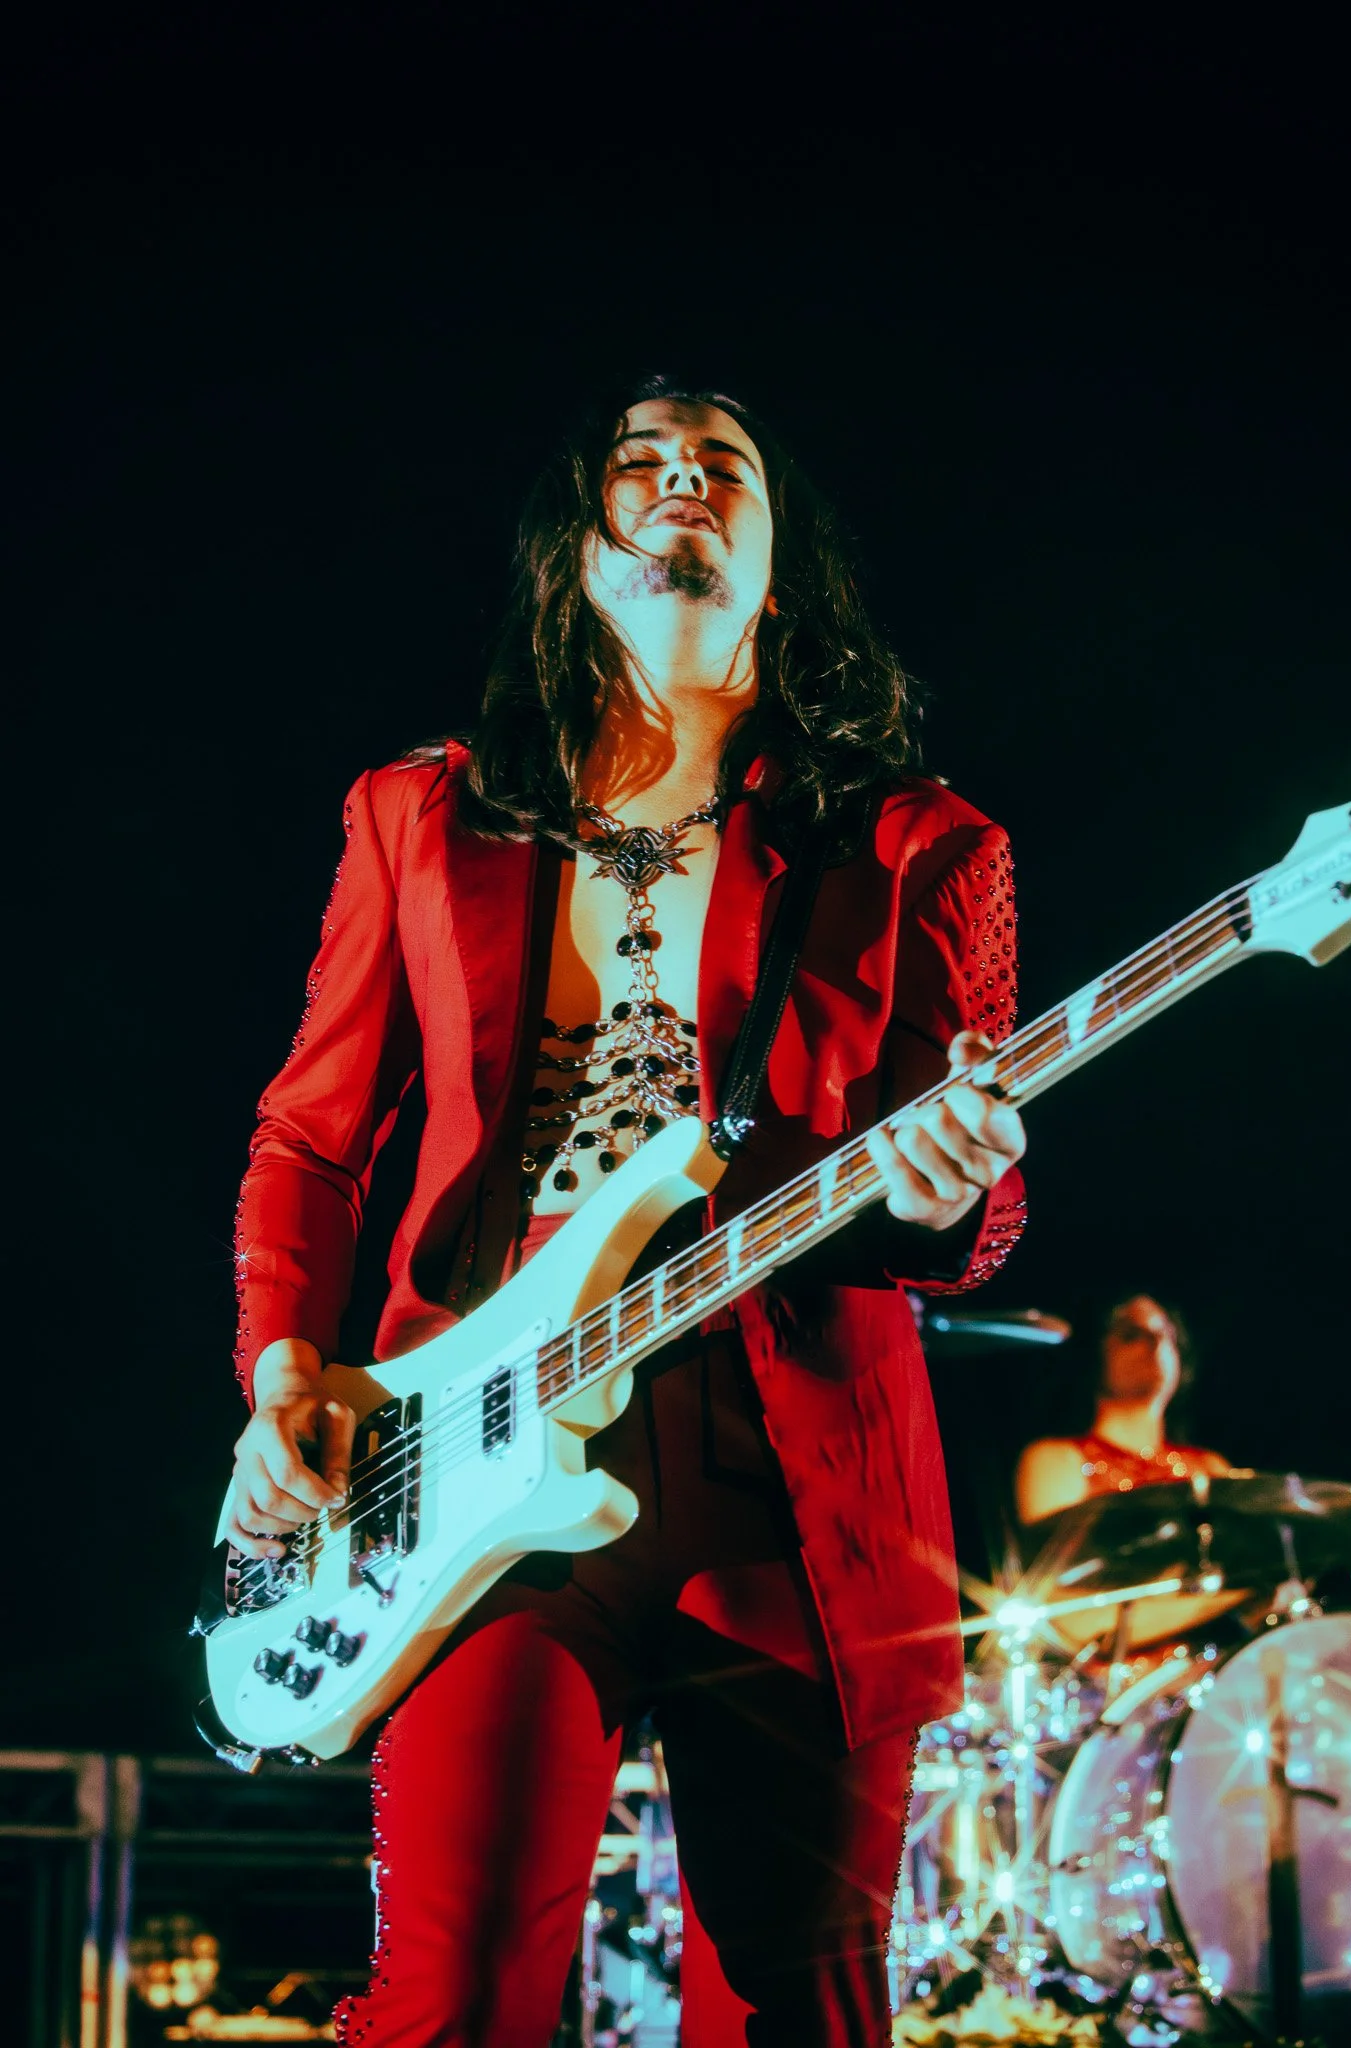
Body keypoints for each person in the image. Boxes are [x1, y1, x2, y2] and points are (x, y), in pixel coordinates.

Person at [226, 377, 1028, 2048]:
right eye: (638, 464)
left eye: (723, 465)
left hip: (793, 1480)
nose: (680, 482)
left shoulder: (919, 845)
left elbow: (970, 1198)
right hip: (475, 1451)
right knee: (448, 1997)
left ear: (777, 568)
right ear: (576, 559)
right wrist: (284, 1362)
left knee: (799, 2010)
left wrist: (953, 1186)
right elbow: (309, 1133)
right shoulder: (420, 816)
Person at [1015, 1294, 1231, 1527]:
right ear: (1093, 1354)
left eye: (1166, 1334)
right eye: (1131, 1335)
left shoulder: (1210, 1467)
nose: (1155, 1342)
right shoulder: (1057, 1461)